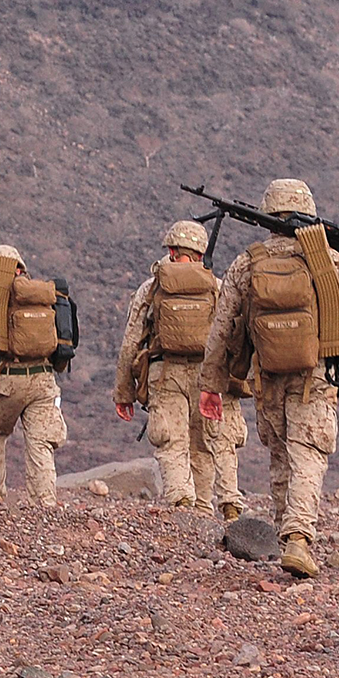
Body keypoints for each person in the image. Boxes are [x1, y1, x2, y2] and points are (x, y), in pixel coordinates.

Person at [200, 179, 339, 578]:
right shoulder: (333, 263)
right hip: (318, 375)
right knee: (308, 455)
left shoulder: (248, 262)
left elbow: (221, 328)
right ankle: (299, 539)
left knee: (282, 456)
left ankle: (283, 532)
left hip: (268, 375)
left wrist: (211, 384)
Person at [114, 221, 241, 516]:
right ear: (200, 253)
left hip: (165, 373)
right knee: (205, 441)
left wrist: (124, 392)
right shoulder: (216, 286)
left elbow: (131, 342)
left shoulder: (152, 288)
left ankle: (180, 501)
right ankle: (208, 506)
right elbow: (232, 334)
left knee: (172, 442)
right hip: (207, 375)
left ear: (171, 250)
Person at [0, 246, 71, 508]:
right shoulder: (43, 297)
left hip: (5, 382)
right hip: (44, 381)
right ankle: (45, 499)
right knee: (40, 440)